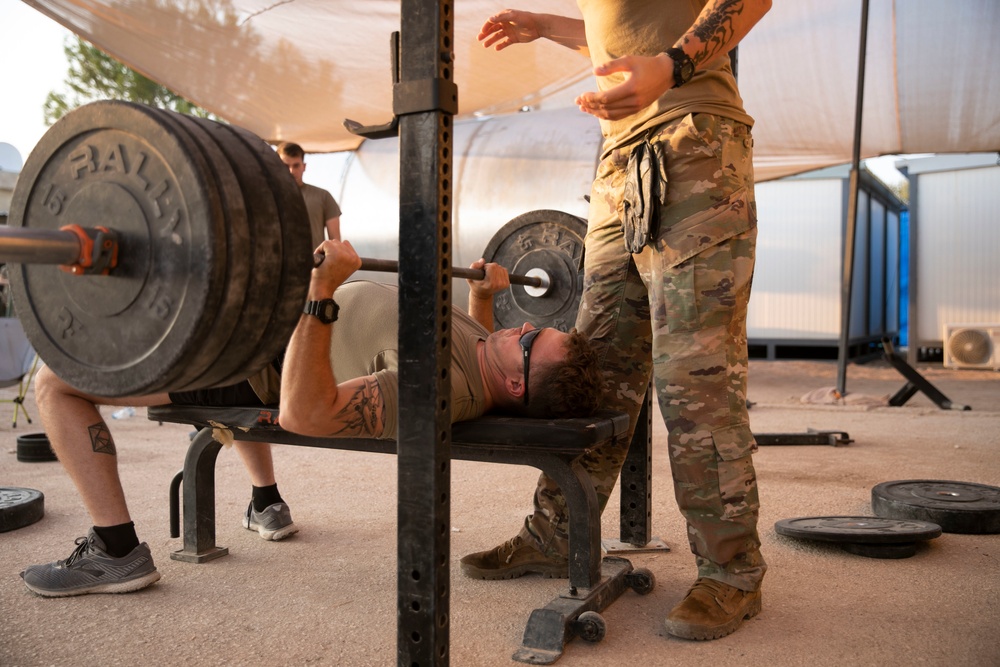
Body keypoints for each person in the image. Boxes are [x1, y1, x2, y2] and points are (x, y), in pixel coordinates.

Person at [19, 239, 604, 597]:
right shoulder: (485, 352)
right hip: (265, 328)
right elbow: (482, 343)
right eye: (538, 326)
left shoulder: (436, 388)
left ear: (515, 384)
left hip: (247, 364)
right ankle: (264, 501)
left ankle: (116, 550)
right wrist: (483, 293)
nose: (525, 326)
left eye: (532, 340)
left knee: (56, 382)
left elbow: (303, 412)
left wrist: (321, 293)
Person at [464, 0, 772, 641]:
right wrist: (550, 28)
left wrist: (673, 65)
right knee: (591, 364)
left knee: (694, 373)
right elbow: (631, 27)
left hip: (693, 139)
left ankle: (731, 571)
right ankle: (557, 533)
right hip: (618, 160)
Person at [276, 141, 342, 246]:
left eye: (296, 165)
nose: (291, 171)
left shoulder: (323, 196)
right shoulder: (269, 198)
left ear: (304, 166)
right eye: (286, 166)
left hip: (313, 257)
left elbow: (335, 243)